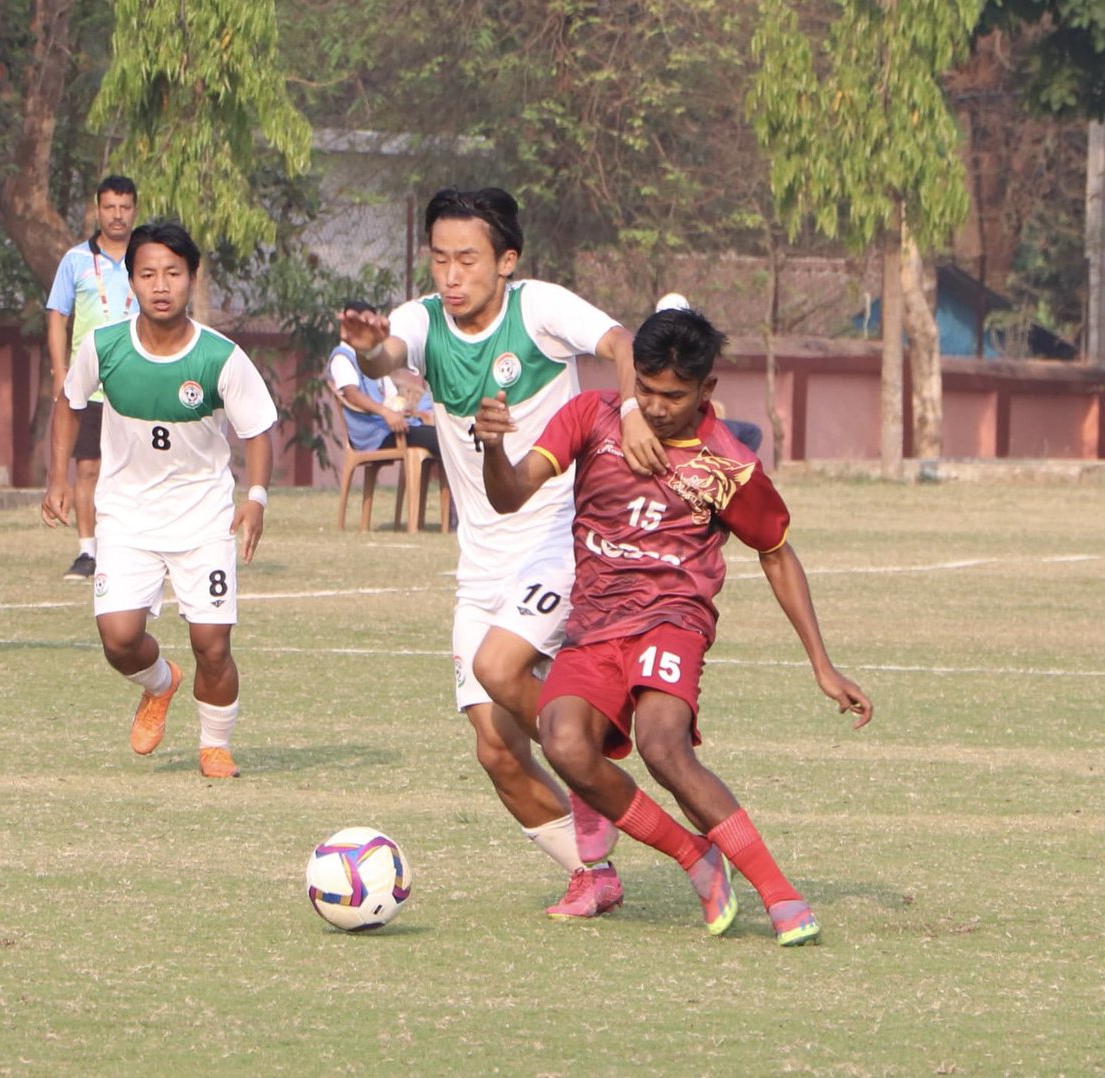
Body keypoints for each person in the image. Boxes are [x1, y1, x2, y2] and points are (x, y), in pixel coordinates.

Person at [474, 306, 873, 945]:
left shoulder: (728, 464)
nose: (656, 408)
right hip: (595, 622)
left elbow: (776, 553)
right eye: (647, 391)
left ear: (706, 391)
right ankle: (694, 855)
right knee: (564, 743)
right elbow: (510, 492)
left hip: (672, 620)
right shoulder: (592, 417)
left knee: (664, 746)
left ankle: (780, 893)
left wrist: (822, 665)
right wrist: (492, 444)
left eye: (673, 396)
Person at [339, 186, 673, 919]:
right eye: (439, 260)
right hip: (481, 562)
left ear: (506, 261)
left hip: (559, 538)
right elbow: (387, 352)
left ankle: (590, 773)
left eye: (467, 260)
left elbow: (620, 341)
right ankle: (591, 873)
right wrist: (369, 351)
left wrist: (627, 408)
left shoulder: (539, 309)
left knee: (502, 670)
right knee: (493, 746)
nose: (451, 276)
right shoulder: (422, 322)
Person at [41, 222, 276, 779]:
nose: (161, 284)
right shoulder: (104, 345)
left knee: (212, 643)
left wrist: (257, 497)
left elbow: (258, 429)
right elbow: (69, 404)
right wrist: (56, 479)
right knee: (119, 639)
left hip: (204, 518)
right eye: (147, 273)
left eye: (173, 273)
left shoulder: (220, 356)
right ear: (132, 281)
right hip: (125, 516)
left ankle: (214, 744)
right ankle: (160, 684)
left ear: (191, 279)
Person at [47, 175, 139, 580]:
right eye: (110, 207)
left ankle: (140, 548)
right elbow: (57, 317)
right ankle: (88, 552)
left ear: (135, 210)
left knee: (142, 468)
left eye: (125, 207)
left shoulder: (146, 259)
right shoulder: (76, 261)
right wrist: (60, 373)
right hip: (90, 385)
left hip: (139, 384)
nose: (117, 215)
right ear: (97, 210)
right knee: (87, 469)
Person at [329, 299, 441, 457]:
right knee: (441, 442)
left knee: (444, 436)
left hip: (390, 424)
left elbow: (391, 396)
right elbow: (351, 395)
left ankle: (418, 483)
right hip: (372, 431)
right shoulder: (342, 356)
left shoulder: (375, 357)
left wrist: (404, 408)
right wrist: (386, 413)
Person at [655, 292, 763, 453]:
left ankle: (727, 470)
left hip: (697, 420)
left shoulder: (693, 346)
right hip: (678, 424)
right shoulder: (657, 350)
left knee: (751, 433)